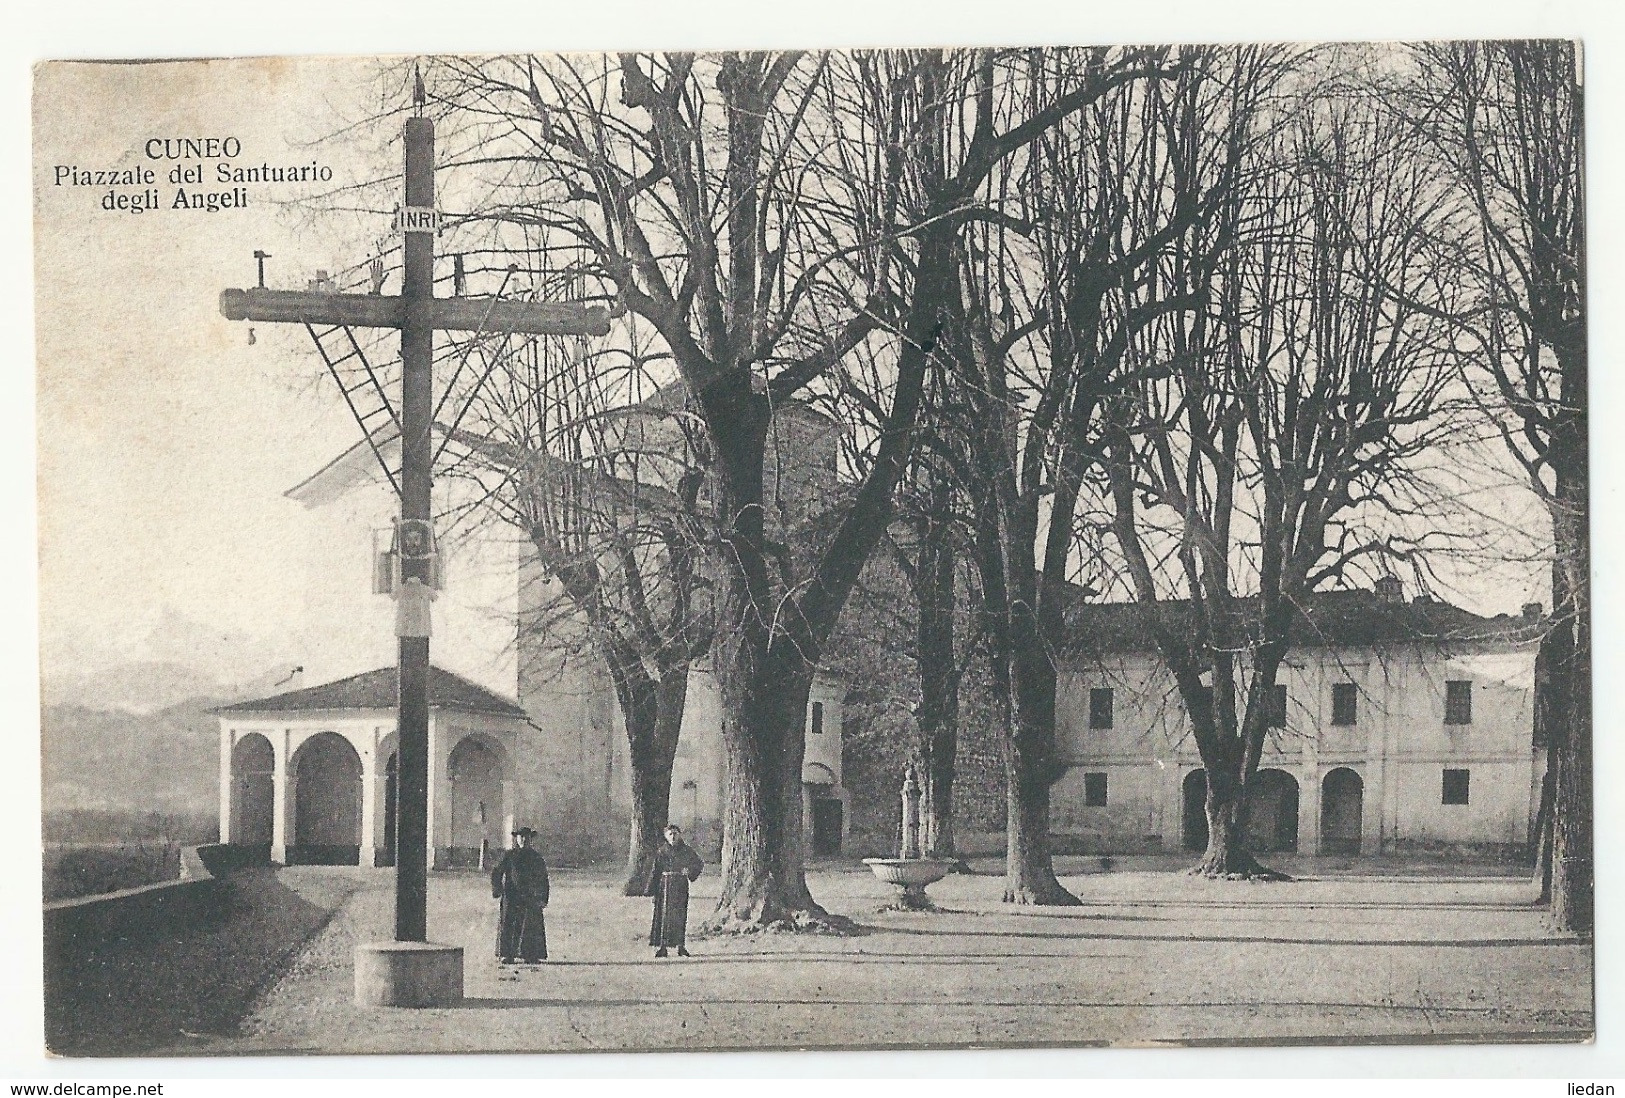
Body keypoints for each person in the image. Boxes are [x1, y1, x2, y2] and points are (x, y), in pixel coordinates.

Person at [643, 823, 704, 958]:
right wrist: (652, 891)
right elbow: (655, 871)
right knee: (663, 916)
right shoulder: (662, 852)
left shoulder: (687, 851)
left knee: (680, 916)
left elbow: (698, 864)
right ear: (666, 836)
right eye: (670, 834)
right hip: (664, 886)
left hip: (680, 886)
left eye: (675, 833)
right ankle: (662, 947)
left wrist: (689, 871)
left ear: (680, 835)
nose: (673, 836)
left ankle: (681, 946)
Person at [491, 826, 549, 964]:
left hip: (530, 897)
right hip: (512, 897)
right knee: (509, 924)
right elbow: (496, 872)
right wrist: (497, 889)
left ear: (530, 840)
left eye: (526, 837)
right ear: (516, 839)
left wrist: (543, 897)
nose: (523, 840)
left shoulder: (536, 858)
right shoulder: (509, 855)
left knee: (530, 926)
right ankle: (508, 954)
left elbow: (543, 879)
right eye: (521, 837)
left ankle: (530, 955)